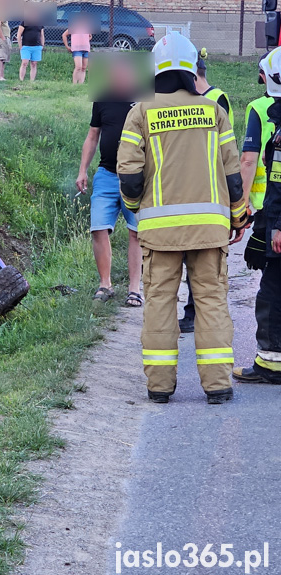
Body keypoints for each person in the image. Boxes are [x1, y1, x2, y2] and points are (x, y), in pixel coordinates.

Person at [117, 32, 248, 405]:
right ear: (192, 68)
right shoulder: (214, 112)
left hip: (160, 233)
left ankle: (159, 387)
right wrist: (237, 218)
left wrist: (137, 203)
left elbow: (129, 174)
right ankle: (217, 386)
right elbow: (232, 174)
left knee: (158, 302)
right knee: (211, 302)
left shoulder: (140, 111)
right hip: (209, 229)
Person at [179, 48, 236, 333]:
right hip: (194, 188)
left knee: (206, 265)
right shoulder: (196, 101)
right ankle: (194, 313)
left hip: (213, 191)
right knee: (193, 258)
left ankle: (199, 315)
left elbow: (226, 153)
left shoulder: (216, 99)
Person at [76, 66, 142, 306]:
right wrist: (83, 170)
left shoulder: (144, 101)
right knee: (98, 228)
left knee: (136, 232)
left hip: (136, 176)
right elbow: (93, 135)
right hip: (105, 174)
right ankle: (105, 284)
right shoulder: (102, 99)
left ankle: (135, 288)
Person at [234, 48, 281, 384]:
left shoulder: (267, 118)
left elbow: (256, 166)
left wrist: (272, 226)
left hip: (274, 217)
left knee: (271, 292)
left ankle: (270, 363)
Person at [63, 15, 91, 85]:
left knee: (84, 68)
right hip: (77, 49)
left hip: (86, 49)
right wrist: (67, 46)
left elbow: (90, 36)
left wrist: (85, 41)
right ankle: (74, 84)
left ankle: (80, 84)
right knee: (78, 67)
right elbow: (64, 35)